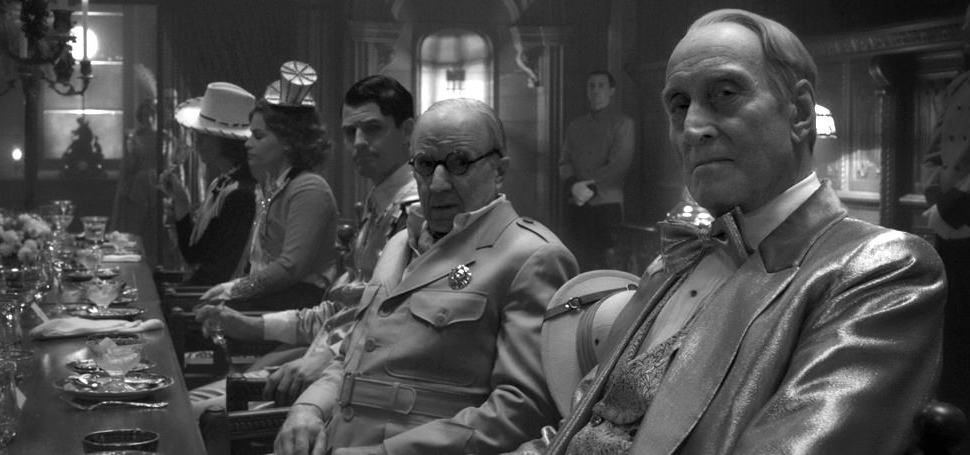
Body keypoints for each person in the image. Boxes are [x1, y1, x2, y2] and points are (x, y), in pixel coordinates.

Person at [515, 9, 946, 455]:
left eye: (724, 93)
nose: (693, 128)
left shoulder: (880, 269)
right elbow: (578, 427)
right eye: (679, 105)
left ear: (800, 113)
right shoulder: (672, 264)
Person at [274, 98, 578, 455]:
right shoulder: (398, 244)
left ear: (499, 171)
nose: (437, 184)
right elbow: (354, 358)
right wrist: (308, 407)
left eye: (459, 163)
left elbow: (522, 411)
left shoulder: (532, 257)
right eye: (425, 164)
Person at [188, 75, 420, 413]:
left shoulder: (415, 212)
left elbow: (394, 323)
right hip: (318, 349)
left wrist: (237, 291)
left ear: (407, 130)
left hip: (355, 383)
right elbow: (339, 311)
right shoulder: (377, 203)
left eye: (372, 129)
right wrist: (252, 326)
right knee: (186, 403)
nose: (358, 142)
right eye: (350, 132)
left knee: (195, 412)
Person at [199, 61, 339, 311]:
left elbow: (290, 267)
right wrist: (233, 288)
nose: (247, 144)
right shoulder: (276, 186)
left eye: (258, 136)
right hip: (275, 302)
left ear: (288, 140)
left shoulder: (310, 188)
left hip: (300, 308)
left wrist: (236, 290)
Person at [158, 83, 257, 285]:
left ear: (226, 142)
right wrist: (181, 201)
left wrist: (180, 293)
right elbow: (194, 253)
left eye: (203, 137)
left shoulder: (241, 193)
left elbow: (218, 271)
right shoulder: (222, 183)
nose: (197, 144)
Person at [923, 3, 970, 419]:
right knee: (952, 327)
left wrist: (957, 205)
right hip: (950, 222)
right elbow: (935, 152)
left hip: (963, 213)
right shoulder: (959, 84)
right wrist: (936, 198)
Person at [559, 70, 635, 272]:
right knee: (578, 260)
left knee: (606, 263)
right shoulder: (575, 126)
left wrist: (589, 188)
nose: (595, 90)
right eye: (591, 86)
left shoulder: (623, 124)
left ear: (612, 91)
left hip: (606, 205)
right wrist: (572, 186)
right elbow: (564, 162)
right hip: (577, 204)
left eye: (601, 86)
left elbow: (619, 164)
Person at [111, 99, 162, 266]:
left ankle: (154, 264)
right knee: (135, 228)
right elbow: (129, 166)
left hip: (158, 186)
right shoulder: (133, 137)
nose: (147, 119)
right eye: (144, 115)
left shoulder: (161, 137)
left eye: (150, 115)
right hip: (138, 188)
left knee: (155, 231)